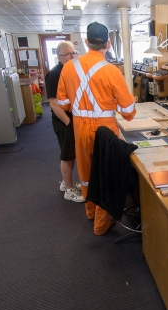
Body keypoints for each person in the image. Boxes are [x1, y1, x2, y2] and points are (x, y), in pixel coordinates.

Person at [57, 22, 136, 235]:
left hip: (79, 128)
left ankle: (90, 212)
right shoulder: (112, 71)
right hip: (105, 131)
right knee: (105, 174)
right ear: (108, 44)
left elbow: (63, 103)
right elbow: (129, 111)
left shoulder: (68, 67)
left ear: (85, 42)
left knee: (86, 173)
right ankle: (101, 225)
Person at [46, 41, 84, 202]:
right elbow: (54, 104)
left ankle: (65, 182)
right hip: (64, 120)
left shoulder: (70, 70)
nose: (72, 56)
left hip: (71, 117)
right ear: (59, 57)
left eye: (74, 53)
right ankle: (69, 190)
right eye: (68, 54)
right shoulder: (54, 74)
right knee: (67, 155)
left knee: (71, 153)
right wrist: (70, 123)